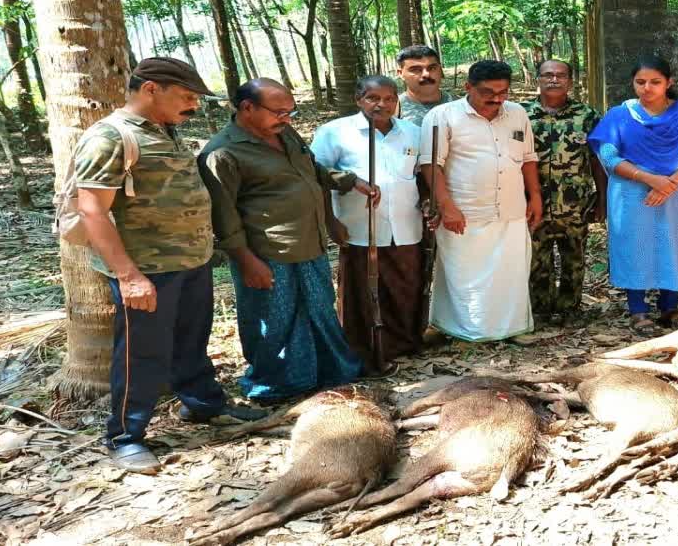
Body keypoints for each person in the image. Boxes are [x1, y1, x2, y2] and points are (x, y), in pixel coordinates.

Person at [72, 57, 263, 474]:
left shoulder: (165, 130)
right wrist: (128, 275)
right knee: (141, 354)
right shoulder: (109, 137)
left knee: (191, 340)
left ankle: (203, 405)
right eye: (187, 96)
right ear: (151, 89)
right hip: (146, 269)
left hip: (191, 260)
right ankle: (125, 436)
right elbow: (93, 211)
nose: (194, 105)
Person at [200, 78, 375, 401]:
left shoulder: (283, 132)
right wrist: (246, 261)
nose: (287, 119)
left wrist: (348, 182)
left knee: (320, 311)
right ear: (247, 108)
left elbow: (310, 170)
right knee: (274, 322)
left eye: (290, 112)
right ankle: (277, 384)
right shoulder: (222, 153)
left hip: (310, 243)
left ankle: (331, 373)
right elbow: (223, 216)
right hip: (267, 253)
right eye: (279, 112)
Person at [589, 56, 678, 336]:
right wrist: (650, 179)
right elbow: (609, 156)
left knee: (675, 242)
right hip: (631, 190)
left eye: (655, 82)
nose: (646, 88)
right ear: (632, 83)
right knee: (635, 245)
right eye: (640, 82)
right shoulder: (619, 114)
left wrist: (669, 185)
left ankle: (670, 306)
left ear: (669, 82)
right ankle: (638, 310)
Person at [420, 60, 542, 341]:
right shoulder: (443, 116)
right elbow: (431, 164)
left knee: (510, 272)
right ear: (468, 88)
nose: (497, 99)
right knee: (465, 274)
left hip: (511, 208)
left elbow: (527, 158)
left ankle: (511, 328)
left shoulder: (517, 113)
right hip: (465, 211)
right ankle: (465, 330)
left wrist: (534, 196)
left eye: (503, 92)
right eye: (488, 92)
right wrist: (446, 206)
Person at [311, 76, 425, 374]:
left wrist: (429, 204)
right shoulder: (334, 132)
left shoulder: (412, 132)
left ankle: (402, 343)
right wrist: (330, 220)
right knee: (363, 290)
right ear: (358, 99)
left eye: (389, 98)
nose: (382, 104)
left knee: (406, 286)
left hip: (406, 226)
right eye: (373, 98)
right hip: (359, 227)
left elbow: (422, 176)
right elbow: (317, 176)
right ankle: (364, 349)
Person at [523, 59, 606, 322]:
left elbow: (597, 160)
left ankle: (569, 309)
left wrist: (602, 199)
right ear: (538, 79)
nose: (554, 80)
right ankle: (540, 311)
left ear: (571, 81)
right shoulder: (520, 115)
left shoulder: (587, 116)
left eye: (561, 75)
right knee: (536, 260)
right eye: (548, 75)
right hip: (532, 203)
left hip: (574, 204)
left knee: (574, 259)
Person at [395, 44, 456, 126]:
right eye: (416, 70)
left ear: (440, 70)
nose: (426, 74)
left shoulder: (460, 105)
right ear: (400, 73)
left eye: (432, 68)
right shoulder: (392, 110)